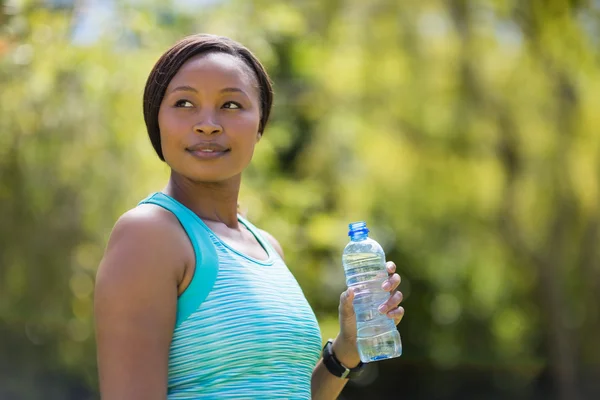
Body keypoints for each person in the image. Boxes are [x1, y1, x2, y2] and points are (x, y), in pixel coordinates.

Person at [94, 33, 405, 400]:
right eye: (183, 103)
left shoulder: (267, 247)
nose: (208, 124)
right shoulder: (149, 235)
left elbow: (286, 392)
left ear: (260, 126)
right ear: (156, 122)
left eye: (230, 105)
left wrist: (346, 351)